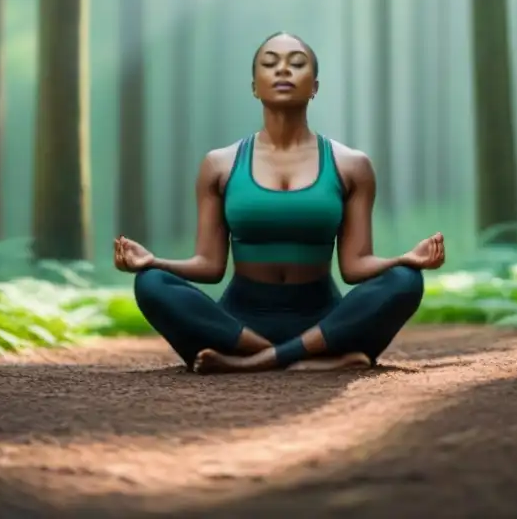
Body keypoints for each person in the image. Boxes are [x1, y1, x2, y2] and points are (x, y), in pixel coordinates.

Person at [114, 31, 445, 374]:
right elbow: (209, 266)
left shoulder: (351, 165)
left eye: (296, 64)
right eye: (270, 64)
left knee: (406, 280)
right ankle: (307, 359)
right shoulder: (220, 163)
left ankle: (256, 362)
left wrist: (405, 259)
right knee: (151, 283)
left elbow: (355, 266)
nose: (283, 70)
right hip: (240, 324)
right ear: (255, 86)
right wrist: (153, 261)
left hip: (324, 319)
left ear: (314, 86)